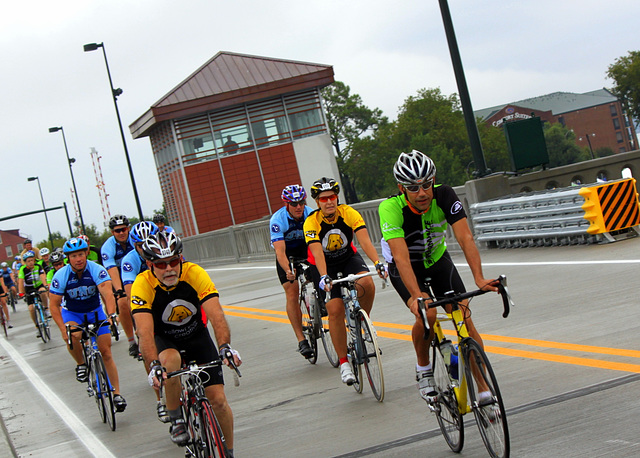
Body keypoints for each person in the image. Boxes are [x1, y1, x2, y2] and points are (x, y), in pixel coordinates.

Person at [378, 150, 498, 402]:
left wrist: (479, 278)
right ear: (401, 188)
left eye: (426, 184)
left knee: (464, 317)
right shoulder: (390, 208)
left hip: (437, 259)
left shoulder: (445, 195)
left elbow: (465, 237)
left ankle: (483, 386)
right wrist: (417, 296)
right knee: (428, 313)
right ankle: (424, 370)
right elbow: (400, 258)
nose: (421, 193)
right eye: (413, 187)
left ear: (434, 180)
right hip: (406, 266)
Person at [131, 232, 241, 452]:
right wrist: (153, 365)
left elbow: (216, 315)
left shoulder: (194, 273)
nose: (169, 268)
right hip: (165, 339)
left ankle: (228, 452)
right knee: (170, 362)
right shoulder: (142, 284)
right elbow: (144, 332)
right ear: (149, 264)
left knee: (218, 401)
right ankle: (177, 419)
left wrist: (224, 346)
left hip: (196, 335)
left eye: (173, 261)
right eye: (161, 264)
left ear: (180, 258)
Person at [303, 177, 386, 385]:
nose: (329, 202)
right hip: (323, 265)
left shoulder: (349, 213)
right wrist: (323, 276)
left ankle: (361, 321)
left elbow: (364, 239)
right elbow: (317, 253)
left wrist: (377, 262)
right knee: (335, 309)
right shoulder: (311, 222)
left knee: (366, 283)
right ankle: (344, 363)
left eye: (332, 197)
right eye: (324, 199)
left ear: (337, 197)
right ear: (317, 202)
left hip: (348, 257)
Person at [49, 237, 127, 412]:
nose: (78, 259)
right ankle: (81, 364)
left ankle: (117, 394)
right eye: (74, 255)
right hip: (72, 313)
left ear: (86, 254)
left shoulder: (96, 270)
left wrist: (112, 316)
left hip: (95, 312)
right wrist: (63, 329)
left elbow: (108, 295)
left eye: (81, 254)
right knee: (72, 335)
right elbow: (53, 306)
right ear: (68, 259)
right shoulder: (61, 275)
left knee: (106, 352)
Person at [121, 221, 168, 423]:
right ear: (135, 246)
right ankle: (160, 399)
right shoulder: (129, 260)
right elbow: (131, 294)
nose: (146, 247)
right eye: (141, 245)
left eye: (149, 241)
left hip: (166, 298)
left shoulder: (164, 249)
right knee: (147, 343)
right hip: (144, 302)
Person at [269, 184, 316, 359]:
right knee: (292, 291)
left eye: (301, 202)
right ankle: (301, 339)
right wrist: (288, 271)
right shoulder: (277, 220)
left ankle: (320, 302)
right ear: (286, 204)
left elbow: (316, 243)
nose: (298, 207)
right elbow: (280, 252)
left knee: (320, 274)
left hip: (306, 250)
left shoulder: (310, 214)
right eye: (294, 204)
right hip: (288, 255)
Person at [101, 214, 138, 357]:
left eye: (123, 229)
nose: (121, 233)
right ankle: (131, 342)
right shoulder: (108, 247)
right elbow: (112, 270)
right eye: (117, 231)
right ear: (112, 232)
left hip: (137, 273)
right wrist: (120, 290)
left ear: (128, 228)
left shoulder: (135, 239)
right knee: (122, 302)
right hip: (121, 278)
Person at [17, 251, 49, 337]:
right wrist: (21, 292)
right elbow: (20, 281)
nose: (31, 262)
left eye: (32, 260)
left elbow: (42, 276)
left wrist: (45, 285)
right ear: (25, 262)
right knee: (31, 308)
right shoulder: (23, 269)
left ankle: (46, 309)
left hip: (38, 285)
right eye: (28, 261)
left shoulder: (38, 266)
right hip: (29, 288)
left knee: (43, 291)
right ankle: (37, 326)